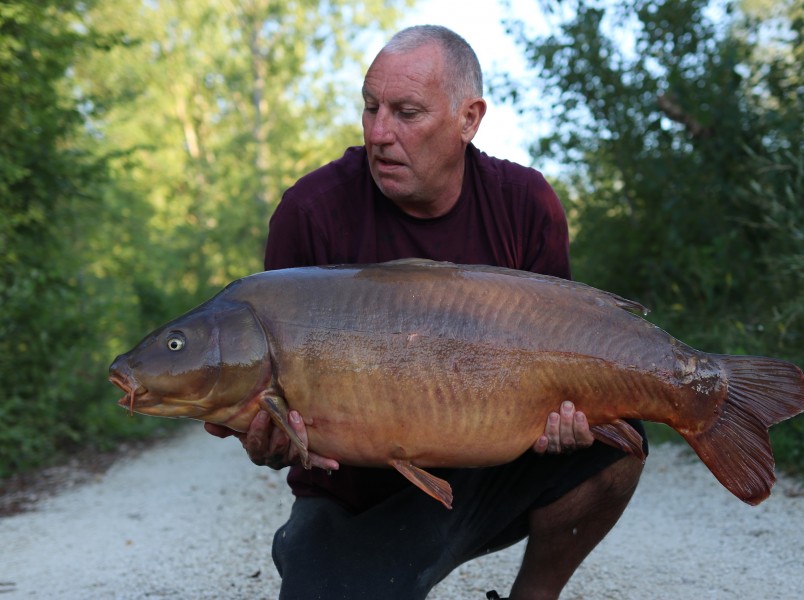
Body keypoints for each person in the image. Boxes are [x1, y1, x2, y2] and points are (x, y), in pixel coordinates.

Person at [206, 25, 646, 600]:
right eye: (371, 107)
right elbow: (276, 408)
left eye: (406, 112)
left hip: (492, 467)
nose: (380, 133)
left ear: (469, 119)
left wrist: (564, 417)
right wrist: (268, 442)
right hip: (359, 493)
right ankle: (315, 549)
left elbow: (563, 357)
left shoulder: (525, 205)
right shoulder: (310, 212)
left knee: (617, 446)